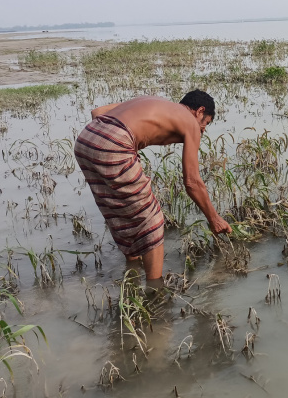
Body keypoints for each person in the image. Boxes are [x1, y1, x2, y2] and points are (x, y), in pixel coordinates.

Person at [74, 90, 231, 287]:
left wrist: (114, 140)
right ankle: (155, 290)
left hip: (86, 140)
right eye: (205, 123)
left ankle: (132, 267)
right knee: (152, 217)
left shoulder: (155, 102)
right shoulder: (190, 122)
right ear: (200, 111)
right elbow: (192, 182)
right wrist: (214, 219)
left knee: (120, 211)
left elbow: (98, 112)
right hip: (114, 144)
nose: (203, 129)